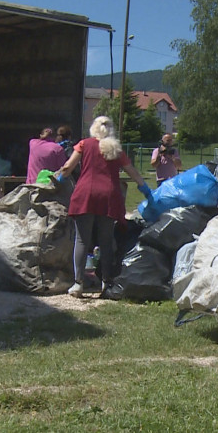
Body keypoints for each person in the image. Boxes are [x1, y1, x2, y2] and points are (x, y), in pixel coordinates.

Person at [55, 115, 152, 298]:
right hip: (109, 196)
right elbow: (132, 171)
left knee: (82, 240)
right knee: (106, 241)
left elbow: (68, 167)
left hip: (85, 194)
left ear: (94, 128)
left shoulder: (84, 144)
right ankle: (106, 282)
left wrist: (59, 178)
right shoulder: (116, 149)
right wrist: (144, 188)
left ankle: (78, 284)